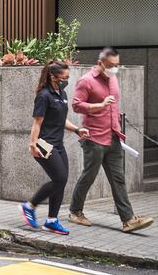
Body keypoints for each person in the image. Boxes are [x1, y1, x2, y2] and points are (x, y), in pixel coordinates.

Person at [68, 47, 154, 233]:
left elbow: (113, 107)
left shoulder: (113, 79)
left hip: (113, 136)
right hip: (93, 138)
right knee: (88, 176)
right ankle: (75, 211)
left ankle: (128, 220)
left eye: (117, 64)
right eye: (112, 65)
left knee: (118, 179)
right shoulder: (86, 81)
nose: (116, 68)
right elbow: (76, 105)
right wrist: (99, 105)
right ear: (100, 63)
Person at [20, 61, 89, 235]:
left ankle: (51, 221)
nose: (66, 80)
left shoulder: (62, 93)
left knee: (62, 181)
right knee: (59, 178)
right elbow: (37, 122)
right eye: (64, 78)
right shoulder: (44, 96)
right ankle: (30, 206)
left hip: (58, 145)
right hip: (44, 144)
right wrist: (32, 144)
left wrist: (77, 130)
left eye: (68, 77)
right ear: (53, 76)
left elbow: (60, 119)